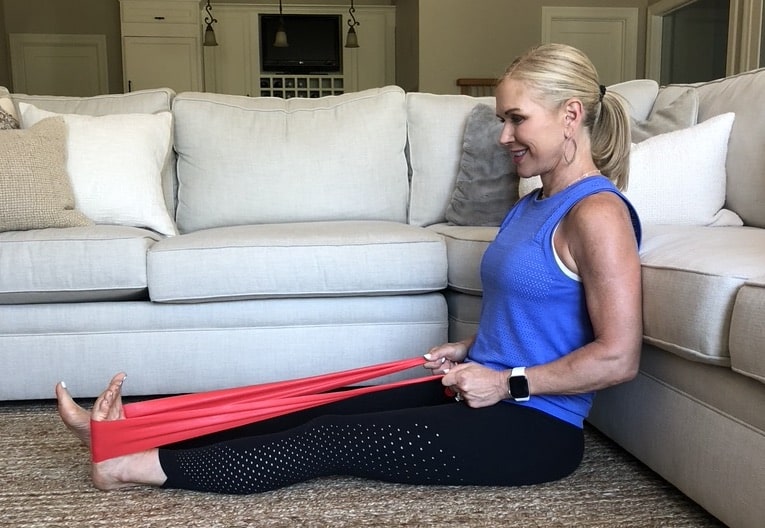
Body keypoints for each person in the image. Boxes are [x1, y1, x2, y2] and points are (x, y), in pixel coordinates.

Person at [56, 43, 642, 494]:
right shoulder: (531, 203)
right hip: (476, 391)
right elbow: (538, 318)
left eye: (516, 119)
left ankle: (130, 467)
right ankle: (126, 434)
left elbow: (618, 356)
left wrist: (506, 381)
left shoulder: (598, 214)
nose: (503, 136)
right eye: (500, 120)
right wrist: (473, 350)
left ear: (570, 115)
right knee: (312, 406)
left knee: (326, 441)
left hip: (534, 430)